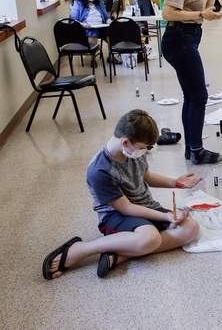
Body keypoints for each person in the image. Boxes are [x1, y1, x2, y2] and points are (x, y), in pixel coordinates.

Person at [41, 110, 201, 280]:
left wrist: (175, 182)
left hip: (145, 208)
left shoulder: (133, 151)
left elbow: (145, 175)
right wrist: (166, 216)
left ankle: (122, 254)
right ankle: (82, 249)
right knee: (151, 238)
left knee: (191, 228)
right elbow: (126, 208)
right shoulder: (99, 170)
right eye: (142, 148)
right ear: (125, 142)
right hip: (116, 215)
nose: (144, 151)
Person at [161, 0, 222, 165]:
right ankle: (197, 150)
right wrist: (200, 15)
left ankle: (192, 147)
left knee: (191, 95)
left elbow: (206, 8)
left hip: (188, 37)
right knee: (199, 96)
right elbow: (167, 13)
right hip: (179, 39)